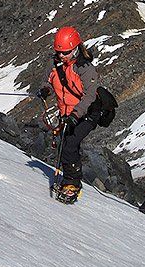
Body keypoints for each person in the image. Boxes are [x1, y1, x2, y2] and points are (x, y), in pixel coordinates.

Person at [36, 26, 100, 203]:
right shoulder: (54, 64)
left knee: (70, 145)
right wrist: (45, 90)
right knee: (66, 144)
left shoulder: (85, 68)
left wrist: (76, 114)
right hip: (67, 113)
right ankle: (69, 178)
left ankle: (72, 183)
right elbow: (48, 81)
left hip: (87, 113)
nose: (61, 55)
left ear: (76, 48)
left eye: (65, 52)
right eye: (59, 52)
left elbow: (90, 96)